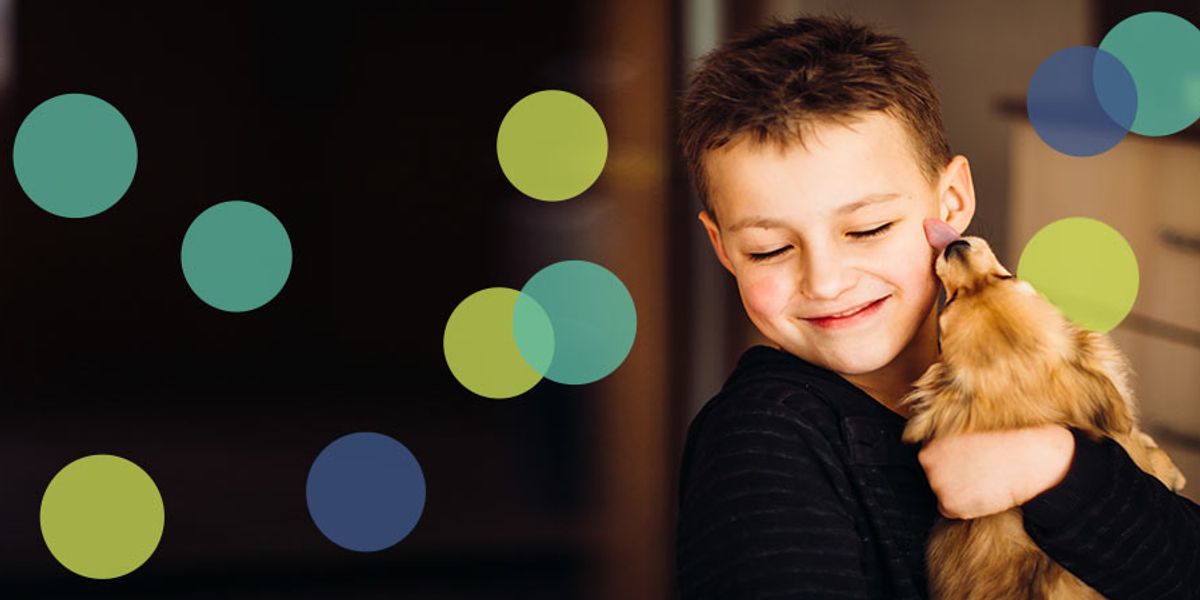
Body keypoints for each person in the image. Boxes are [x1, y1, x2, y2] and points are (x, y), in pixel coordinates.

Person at [673, 13, 1200, 599]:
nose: (824, 282)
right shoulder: (761, 446)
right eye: (770, 249)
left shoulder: (1030, 383)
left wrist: (1059, 469)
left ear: (951, 204)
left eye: (868, 229)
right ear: (723, 248)